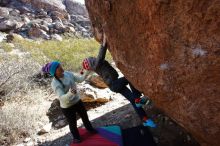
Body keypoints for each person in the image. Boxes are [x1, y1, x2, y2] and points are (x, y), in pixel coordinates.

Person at [80, 35, 156, 128]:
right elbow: (101, 55)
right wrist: (104, 42)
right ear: (91, 62)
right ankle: (138, 99)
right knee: (129, 79)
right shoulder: (97, 64)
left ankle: (145, 120)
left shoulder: (96, 66)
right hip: (114, 84)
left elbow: (95, 61)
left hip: (114, 85)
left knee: (133, 101)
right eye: (91, 59)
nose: (92, 58)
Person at [42, 61, 96, 143]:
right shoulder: (55, 83)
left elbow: (80, 79)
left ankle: (90, 129)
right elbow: (62, 98)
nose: (61, 68)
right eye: (58, 67)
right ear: (54, 72)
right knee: (73, 123)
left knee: (85, 117)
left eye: (60, 66)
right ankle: (76, 138)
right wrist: (70, 93)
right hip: (67, 107)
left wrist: (87, 71)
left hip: (77, 101)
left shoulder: (67, 73)